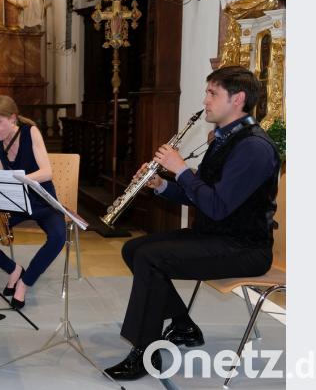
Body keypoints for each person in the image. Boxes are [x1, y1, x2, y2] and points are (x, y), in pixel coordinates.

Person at [104, 66, 280, 381]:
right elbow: (203, 197)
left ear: (237, 99)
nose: (206, 100)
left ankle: (144, 351)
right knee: (134, 249)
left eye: (213, 93)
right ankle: (183, 325)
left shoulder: (254, 147)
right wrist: (162, 185)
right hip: (215, 236)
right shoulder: (224, 139)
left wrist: (181, 169)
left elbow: (217, 205)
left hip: (245, 247)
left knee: (150, 257)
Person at [0, 95, 65, 309]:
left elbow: (47, 172)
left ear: (13, 118)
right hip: (17, 203)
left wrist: (21, 179)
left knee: (58, 237)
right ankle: (14, 269)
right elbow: (3, 178)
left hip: (43, 200)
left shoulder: (31, 132)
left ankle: (25, 283)